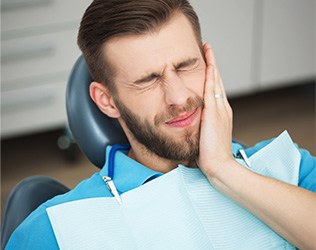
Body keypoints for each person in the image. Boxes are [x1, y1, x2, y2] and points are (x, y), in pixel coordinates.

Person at [6, 0, 316, 249]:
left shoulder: (288, 167)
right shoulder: (57, 229)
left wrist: (224, 169)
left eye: (186, 65)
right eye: (148, 80)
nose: (179, 98)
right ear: (107, 101)